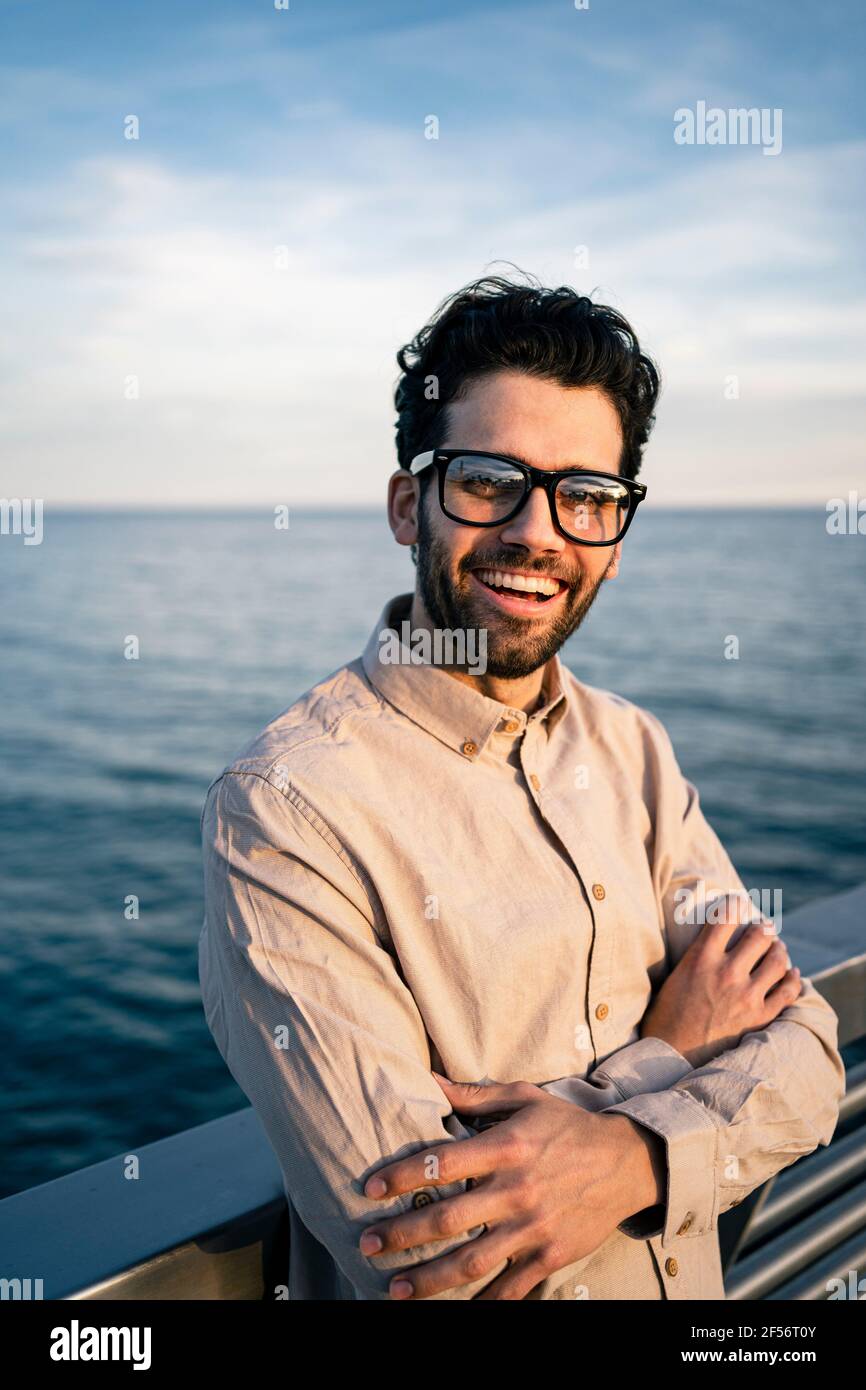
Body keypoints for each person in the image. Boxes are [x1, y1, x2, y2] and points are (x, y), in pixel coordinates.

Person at [198, 272, 845, 1300]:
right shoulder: (285, 808)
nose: (536, 532)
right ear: (410, 503)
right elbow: (423, 1243)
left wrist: (622, 1159)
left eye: (584, 495)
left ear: (614, 540)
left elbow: (807, 1059)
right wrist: (668, 1056)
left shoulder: (633, 750)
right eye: (488, 480)